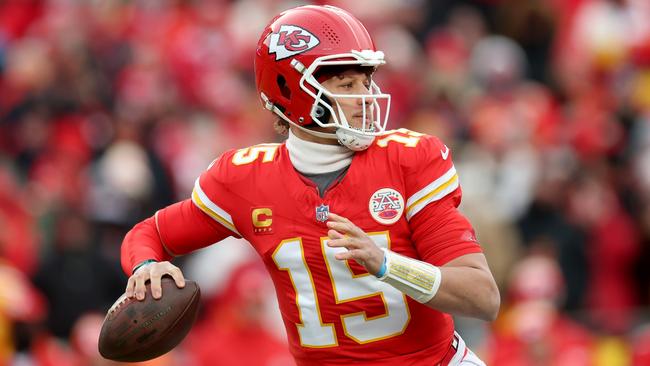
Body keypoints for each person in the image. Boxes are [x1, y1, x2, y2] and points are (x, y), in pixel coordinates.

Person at [120, 5, 500, 366]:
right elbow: (150, 233)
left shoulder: (409, 160)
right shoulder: (245, 179)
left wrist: (386, 264)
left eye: (365, 82)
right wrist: (147, 266)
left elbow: (482, 296)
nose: (365, 99)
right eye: (346, 84)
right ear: (291, 90)